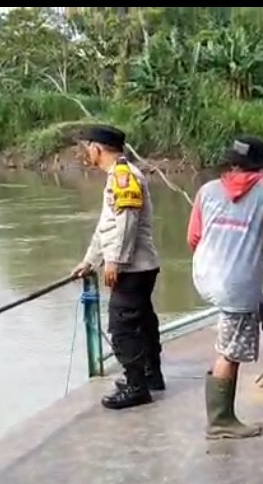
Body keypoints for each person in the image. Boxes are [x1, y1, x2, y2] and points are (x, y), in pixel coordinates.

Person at [188, 136, 263, 439]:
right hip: (236, 283)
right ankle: (221, 421)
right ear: (261, 166)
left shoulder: (207, 190)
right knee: (230, 350)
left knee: (235, 332)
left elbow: (193, 238)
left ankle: (226, 414)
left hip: (204, 274)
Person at [70, 124, 163, 411]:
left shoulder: (123, 176)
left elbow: (126, 223)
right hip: (137, 266)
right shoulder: (118, 176)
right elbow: (106, 227)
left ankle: (137, 387)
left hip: (132, 268)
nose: (86, 153)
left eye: (87, 147)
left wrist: (115, 261)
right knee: (142, 322)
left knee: (123, 327)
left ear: (97, 148)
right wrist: (90, 260)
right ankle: (149, 376)